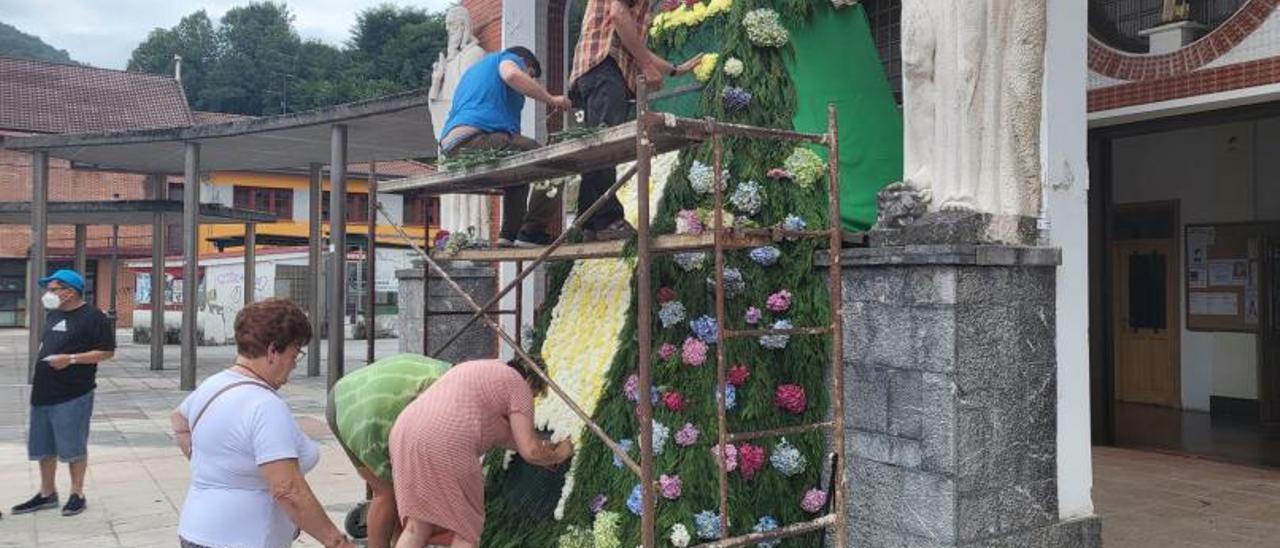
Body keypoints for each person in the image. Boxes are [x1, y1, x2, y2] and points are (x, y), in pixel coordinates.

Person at [169, 299, 355, 548]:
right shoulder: (265, 406)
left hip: (196, 529)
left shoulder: (213, 385)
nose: (294, 364)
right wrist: (336, 541)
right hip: (246, 538)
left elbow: (179, 421)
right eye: (294, 353)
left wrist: (215, 467)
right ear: (272, 351)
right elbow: (288, 489)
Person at [389, 357, 573, 548]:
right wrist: (560, 453)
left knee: (416, 527)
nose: (530, 403)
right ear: (530, 382)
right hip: (447, 441)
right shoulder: (519, 385)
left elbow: (511, 438)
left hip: (404, 432)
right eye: (534, 396)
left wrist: (547, 454)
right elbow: (531, 450)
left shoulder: (484, 371)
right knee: (466, 533)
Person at [568, 0, 703, 241]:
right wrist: (646, 65)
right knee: (605, 146)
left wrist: (674, 69)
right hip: (604, 67)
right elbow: (619, 16)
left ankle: (590, 219)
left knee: (598, 147)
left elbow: (631, 40)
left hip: (596, 69)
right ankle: (607, 219)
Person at [438, 46, 573, 248]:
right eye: (532, 75)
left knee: (518, 175)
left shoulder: (476, 72)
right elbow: (511, 74)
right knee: (552, 160)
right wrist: (551, 99)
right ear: (523, 62)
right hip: (476, 137)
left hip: (453, 146)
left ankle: (508, 235)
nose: (532, 81)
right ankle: (532, 231)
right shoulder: (507, 58)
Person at [11, 269, 115, 518]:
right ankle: (47, 493)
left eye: (53, 289)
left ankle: (76, 493)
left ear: (69, 292)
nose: (49, 294)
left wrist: (71, 359)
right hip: (43, 392)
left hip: (73, 393)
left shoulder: (94, 317)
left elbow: (107, 351)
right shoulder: (53, 314)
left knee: (73, 446)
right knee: (43, 446)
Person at [327, 353, 453, 548]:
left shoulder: (452, 375)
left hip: (343, 396)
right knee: (387, 493)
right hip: (371, 412)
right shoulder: (455, 397)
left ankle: (396, 541)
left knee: (387, 491)